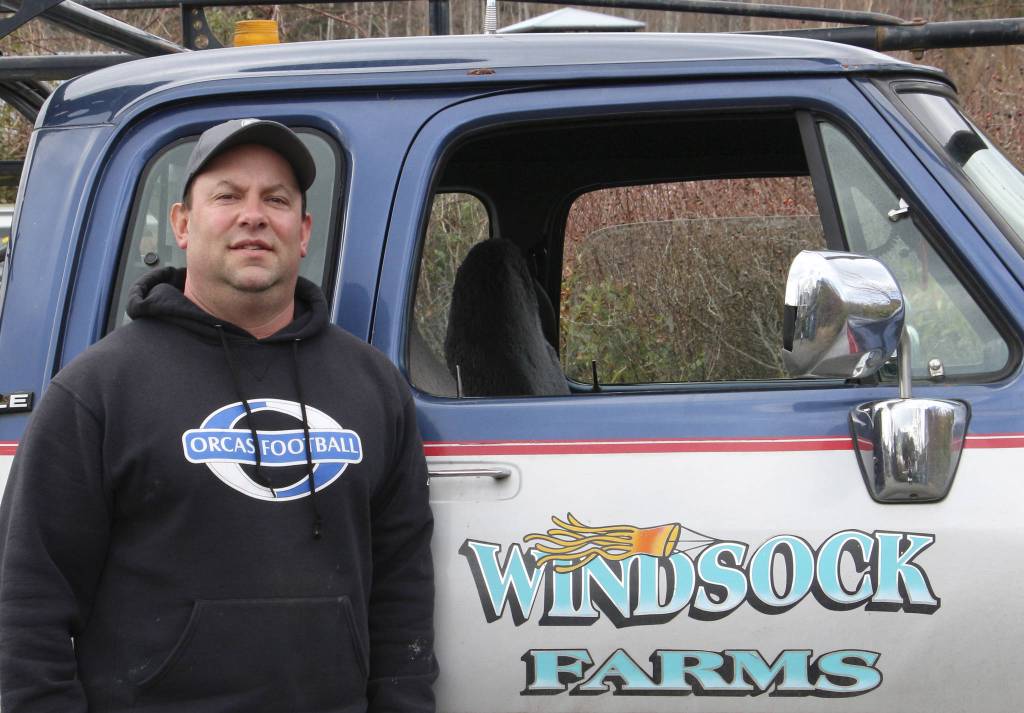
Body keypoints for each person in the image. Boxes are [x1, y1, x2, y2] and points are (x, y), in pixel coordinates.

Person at [0, 119, 437, 713]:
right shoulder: (97, 390)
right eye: (227, 196)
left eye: (276, 200)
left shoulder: (374, 387)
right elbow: (27, 601)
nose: (253, 216)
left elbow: (402, 589)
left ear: (303, 231)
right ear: (182, 224)